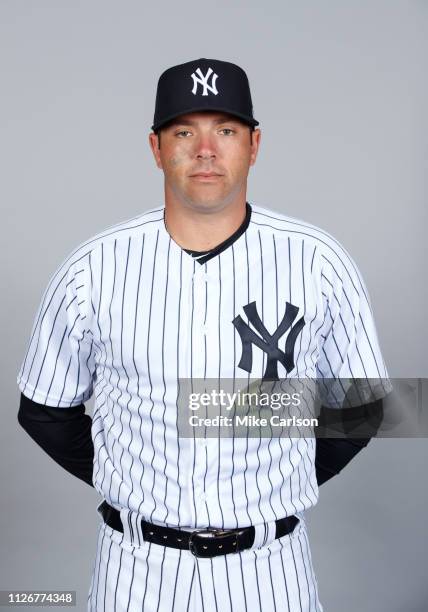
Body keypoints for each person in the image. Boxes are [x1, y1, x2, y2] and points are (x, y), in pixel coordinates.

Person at [17, 58, 389, 612]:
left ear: (254, 145)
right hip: (135, 570)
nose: (206, 149)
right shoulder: (92, 267)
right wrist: (127, 474)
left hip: (270, 571)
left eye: (227, 130)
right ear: (155, 147)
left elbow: (366, 406)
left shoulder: (318, 261)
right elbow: (43, 411)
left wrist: (278, 480)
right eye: (184, 130)